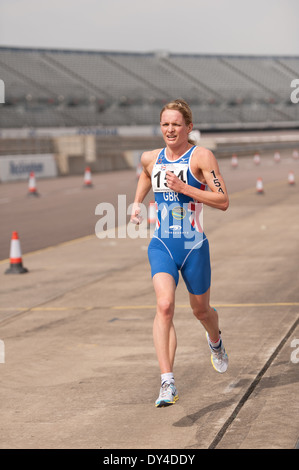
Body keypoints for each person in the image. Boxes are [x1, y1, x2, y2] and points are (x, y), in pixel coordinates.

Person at [130, 99, 229, 407]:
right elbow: (146, 174)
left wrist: (185, 188)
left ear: (188, 127)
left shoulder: (201, 156)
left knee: (202, 311)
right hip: (162, 243)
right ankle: (167, 383)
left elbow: (223, 200)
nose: (170, 130)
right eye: (165, 124)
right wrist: (137, 202)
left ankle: (215, 341)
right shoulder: (150, 157)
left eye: (176, 124)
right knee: (164, 306)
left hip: (194, 245)